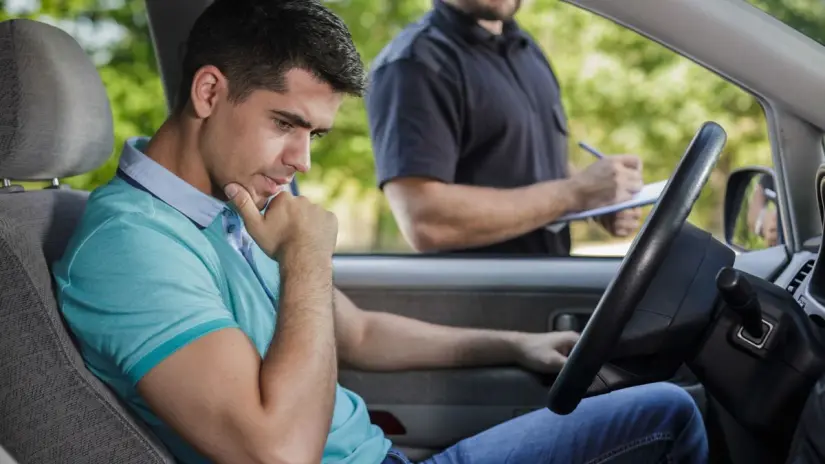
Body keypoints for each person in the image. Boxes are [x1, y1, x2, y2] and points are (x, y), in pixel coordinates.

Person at [52, 0, 707, 463]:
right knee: (669, 416)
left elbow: (357, 332)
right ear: (207, 93)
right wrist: (307, 256)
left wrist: (515, 344)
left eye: (314, 135)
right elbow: (279, 453)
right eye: (285, 124)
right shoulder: (129, 247)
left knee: (663, 406)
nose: (302, 162)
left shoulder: (226, 204)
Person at [365, 0, 644, 256]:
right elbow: (426, 220)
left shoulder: (526, 48)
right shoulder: (414, 64)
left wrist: (597, 196)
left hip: (548, 281)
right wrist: (574, 193)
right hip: (483, 290)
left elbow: (535, 162)